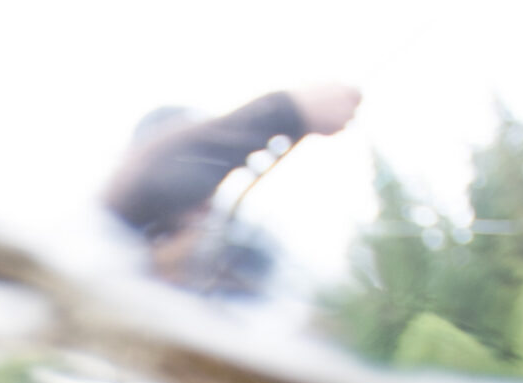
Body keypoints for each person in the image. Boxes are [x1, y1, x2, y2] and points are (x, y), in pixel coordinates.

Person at [104, 83, 362, 297]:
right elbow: (151, 176)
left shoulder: (234, 274)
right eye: (187, 186)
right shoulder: (107, 247)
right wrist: (287, 111)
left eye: (206, 190)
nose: (203, 204)